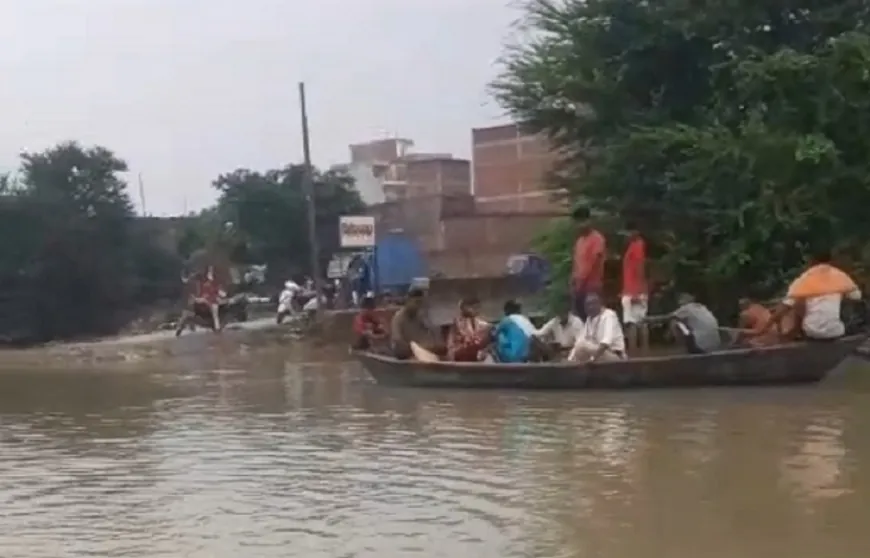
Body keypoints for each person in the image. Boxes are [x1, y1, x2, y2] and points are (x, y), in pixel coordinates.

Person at [752, 248, 862, 341]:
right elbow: (857, 297)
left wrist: (763, 330)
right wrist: (839, 296)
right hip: (836, 331)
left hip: (811, 331)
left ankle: (793, 334)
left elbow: (782, 309)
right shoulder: (840, 276)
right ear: (831, 260)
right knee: (843, 298)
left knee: (797, 304)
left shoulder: (804, 279)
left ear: (811, 261)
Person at [646, 293, 721, 354]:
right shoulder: (702, 307)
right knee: (681, 321)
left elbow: (666, 318)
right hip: (715, 345)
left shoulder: (686, 308)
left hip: (699, 345)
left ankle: (677, 344)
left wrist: (645, 319)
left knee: (675, 321)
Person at [567, 293, 626, 362]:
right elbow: (580, 340)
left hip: (615, 356)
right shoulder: (589, 319)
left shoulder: (609, 315)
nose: (590, 307)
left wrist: (593, 359)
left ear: (600, 304)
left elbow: (606, 342)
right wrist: (569, 360)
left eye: (593, 303)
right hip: (599, 355)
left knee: (581, 345)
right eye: (588, 305)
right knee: (579, 344)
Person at [571, 206, 606, 321]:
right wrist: (574, 279)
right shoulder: (580, 241)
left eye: (582, 221)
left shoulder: (597, 239)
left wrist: (582, 280)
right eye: (577, 222)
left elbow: (594, 261)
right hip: (579, 287)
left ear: (588, 220)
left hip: (592, 286)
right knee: (580, 319)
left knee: (593, 319)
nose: (580, 225)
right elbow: (576, 263)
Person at [621, 224, 649, 355]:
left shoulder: (637, 245)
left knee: (633, 322)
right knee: (639, 321)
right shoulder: (635, 245)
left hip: (634, 290)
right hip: (632, 289)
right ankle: (642, 352)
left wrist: (637, 291)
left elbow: (639, 268)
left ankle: (636, 353)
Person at [390, 288, 438, 360]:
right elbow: (397, 339)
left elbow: (429, 335)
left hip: (418, 351)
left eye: (420, 303)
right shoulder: (398, 318)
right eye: (416, 302)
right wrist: (413, 348)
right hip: (403, 352)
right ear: (408, 301)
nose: (418, 306)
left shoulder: (420, 317)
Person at [446, 296, 491, 362]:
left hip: (472, 353)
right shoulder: (458, 322)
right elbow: (452, 345)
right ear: (465, 308)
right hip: (459, 353)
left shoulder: (479, 322)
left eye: (477, 307)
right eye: (474, 307)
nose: (477, 310)